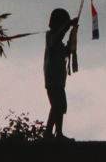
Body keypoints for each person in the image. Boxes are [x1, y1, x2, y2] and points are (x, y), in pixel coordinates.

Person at [43, 8, 78, 141]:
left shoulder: (56, 40)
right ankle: (52, 133)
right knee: (58, 105)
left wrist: (72, 35)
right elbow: (57, 38)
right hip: (53, 79)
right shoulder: (50, 36)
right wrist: (68, 26)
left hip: (57, 79)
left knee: (59, 106)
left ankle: (56, 133)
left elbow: (66, 51)